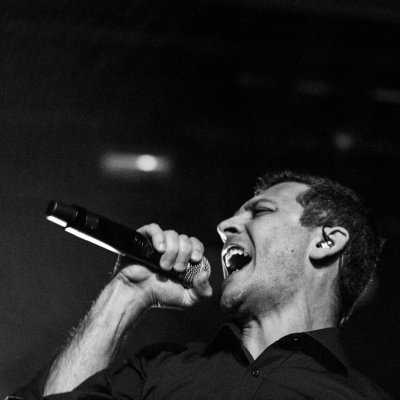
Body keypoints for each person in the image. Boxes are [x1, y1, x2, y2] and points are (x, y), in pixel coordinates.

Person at [11, 170, 394, 399]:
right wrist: (127, 292)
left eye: (261, 211)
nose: (224, 227)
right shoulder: (156, 371)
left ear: (326, 242)